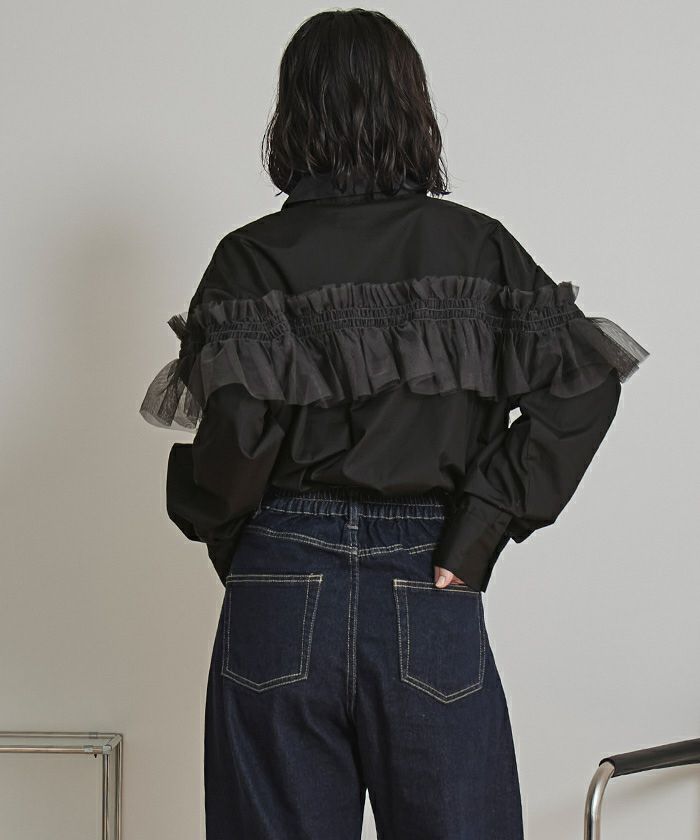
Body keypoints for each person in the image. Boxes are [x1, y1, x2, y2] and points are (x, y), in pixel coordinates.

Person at [139, 9, 649, 839]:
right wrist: (477, 530)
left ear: (294, 112)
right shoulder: (475, 247)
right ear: (412, 106)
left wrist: (250, 550)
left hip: (281, 578)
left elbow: (234, 450)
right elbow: (584, 384)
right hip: (428, 574)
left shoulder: (250, 258)